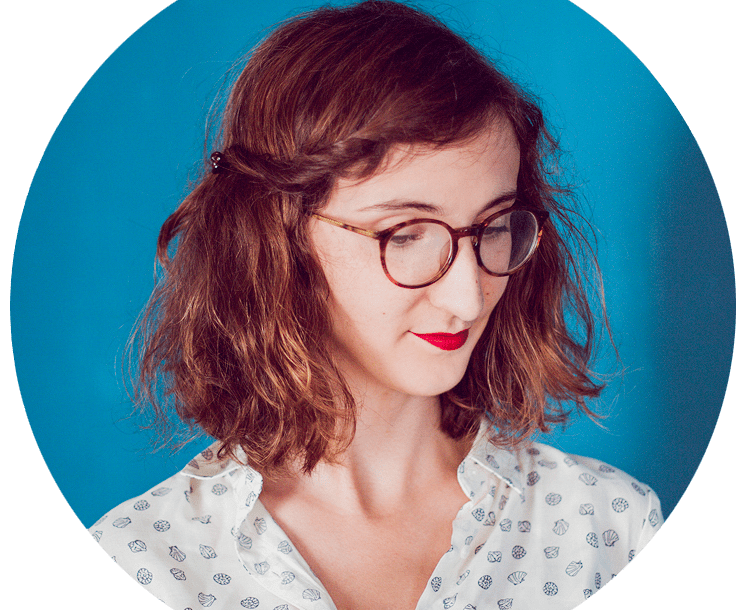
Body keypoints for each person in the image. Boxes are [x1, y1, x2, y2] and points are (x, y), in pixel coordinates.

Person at [88, 1, 663, 608]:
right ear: (274, 239)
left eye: (495, 227)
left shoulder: (612, 529)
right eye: (406, 234)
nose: (468, 296)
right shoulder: (141, 563)